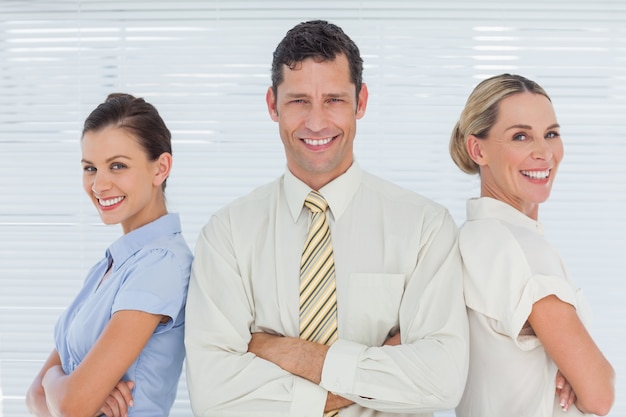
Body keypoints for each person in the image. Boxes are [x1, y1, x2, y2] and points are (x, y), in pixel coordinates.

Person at [185, 20, 468, 417]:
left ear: (361, 101)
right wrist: (374, 370)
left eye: (333, 99)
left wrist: (286, 352)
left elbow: (441, 380)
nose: (316, 122)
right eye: (299, 101)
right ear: (272, 105)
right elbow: (214, 395)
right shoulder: (227, 234)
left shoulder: (425, 227)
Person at [449, 74, 615, 416]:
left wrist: (570, 367)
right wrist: (582, 372)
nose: (544, 152)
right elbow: (600, 396)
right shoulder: (518, 248)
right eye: (521, 136)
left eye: (551, 134)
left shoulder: (469, 239)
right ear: (477, 149)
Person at [25, 93, 193, 417]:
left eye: (117, 166)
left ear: (161, 168)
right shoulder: (109, 266)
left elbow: (70, 406)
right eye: (90, 168)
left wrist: (54, 381)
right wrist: (60, 385)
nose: (99, 185)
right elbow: (34, 398)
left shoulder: (162, 265)